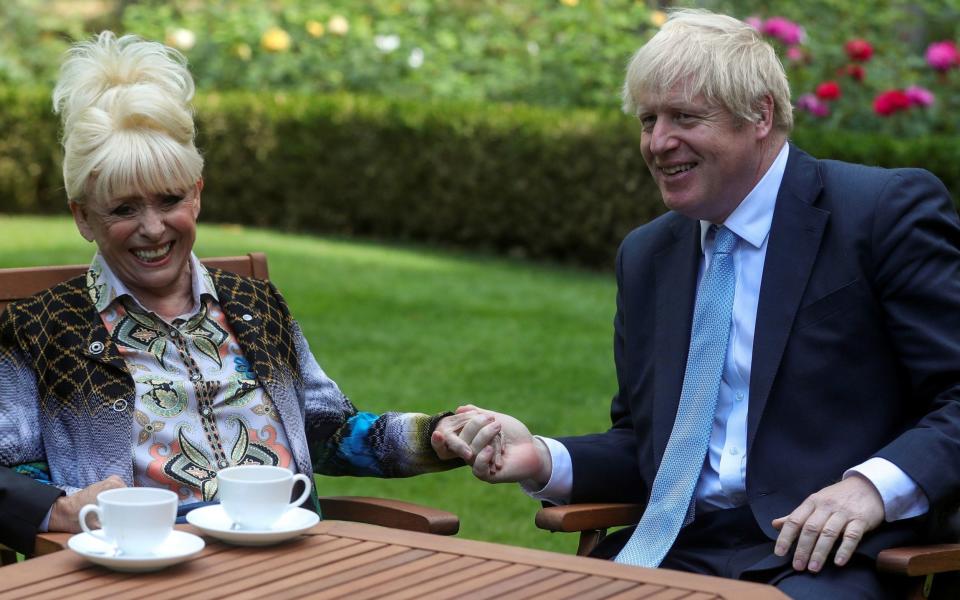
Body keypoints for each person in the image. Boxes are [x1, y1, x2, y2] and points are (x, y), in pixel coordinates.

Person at [437, 9, 960, 599]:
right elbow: (653, 445)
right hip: (675, 547)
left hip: (828, 560)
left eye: (684, 117)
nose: (659, 143)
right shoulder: (648, 254)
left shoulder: (880, 212)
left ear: (759, 115)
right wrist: (538, 457)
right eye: (648, 120)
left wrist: (871, 489)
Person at [0, 31, 476, 555]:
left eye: (169, 199)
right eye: (123, 209)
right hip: (147, 566)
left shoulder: (256, 306)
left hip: (288, 558)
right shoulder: (40, 329)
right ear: (82, 217)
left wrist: (435, 435)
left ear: (197, 195)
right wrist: (61, 507)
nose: (154, 228)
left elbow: (330, 433)